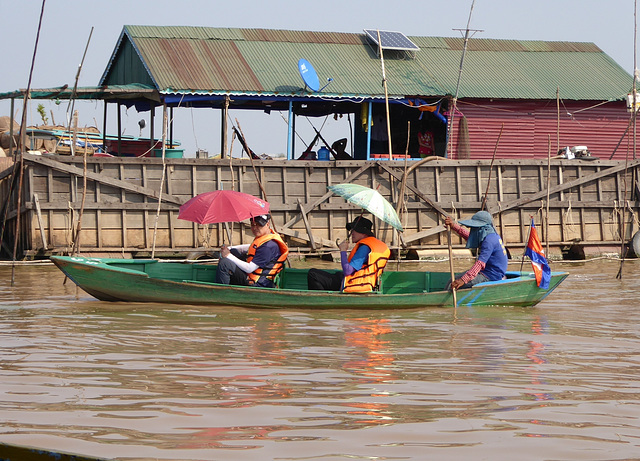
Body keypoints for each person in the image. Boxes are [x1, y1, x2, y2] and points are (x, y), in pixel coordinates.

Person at [307, 216, 390, 292]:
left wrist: (343, 251)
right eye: (352, 230)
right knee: (338, 274)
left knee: (312, 274)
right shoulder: (372, 244)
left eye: (355, 230)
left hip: (353, 284)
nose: (352, 232)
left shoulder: (365, 248)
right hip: (364, 282)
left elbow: (348, 271)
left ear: (364, 233)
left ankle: (322, 300)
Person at [215, 214, 289, 288]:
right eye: (253, 225)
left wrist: (228, 255)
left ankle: (221, 293)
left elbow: (249, 268)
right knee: (234, 251)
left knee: (225, 263)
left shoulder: (268, 246)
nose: (255, 228)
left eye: (259, 225)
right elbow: (250, 247)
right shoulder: (267, 237)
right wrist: (230, 248)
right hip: (253, 276)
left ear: (267, 224)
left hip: (258, 283)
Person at [444, 211, 509, 290]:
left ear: (482, 228)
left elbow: (480, 263)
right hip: (486, 272)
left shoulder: (489, 241)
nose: (473, 230)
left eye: (474, 228)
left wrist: (463, 280)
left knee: (454, 285)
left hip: (491, 275)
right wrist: (454, 226)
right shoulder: (489, 235)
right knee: (452, 280)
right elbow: (470, 237)